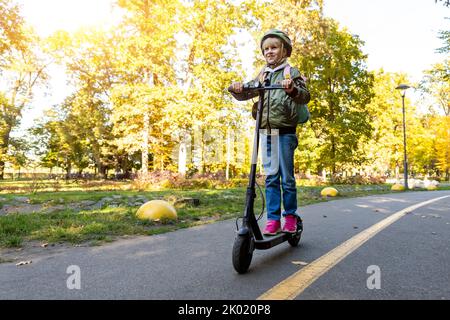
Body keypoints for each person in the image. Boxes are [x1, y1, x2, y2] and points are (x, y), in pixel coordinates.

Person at [229, 29, 310, 235]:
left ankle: (289, 216)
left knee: (287, 178)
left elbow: (304, 96)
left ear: (284, 50)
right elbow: (250, 90)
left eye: (274, 47)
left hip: (285, 132)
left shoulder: (291, 72)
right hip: (267, 132)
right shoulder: (263, 74)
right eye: (266, 49)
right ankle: (273, 219)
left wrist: (291, 88)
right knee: (271, 177)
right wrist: (238, 89)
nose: (269, 52)